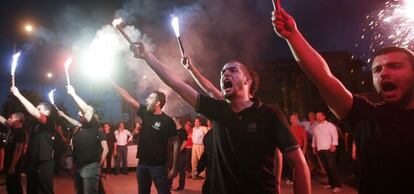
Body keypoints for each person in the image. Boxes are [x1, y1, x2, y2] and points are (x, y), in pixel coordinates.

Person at [128, 42, 311, 194]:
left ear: (248, 81)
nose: (225, 74)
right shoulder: (218, 110)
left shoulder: (270, 115)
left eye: (232, 70)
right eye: (223, 72)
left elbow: (298, 164)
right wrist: (147, 56)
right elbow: (179, 86)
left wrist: (278, 184)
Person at [273, 5, 414, 193]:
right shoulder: (366, 116)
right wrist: (293, 36)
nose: (384, 73)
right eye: (377, 70)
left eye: (394, 66)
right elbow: (324, 79)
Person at [109, 79, 179, 194]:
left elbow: (176, 142)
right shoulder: (146, 113)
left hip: (159, 166)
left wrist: (174, 167)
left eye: (150, 98)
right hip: (142, 164)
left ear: (157, 103)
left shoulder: (167, 121)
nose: (146, 100)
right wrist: (111, 82)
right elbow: (129, 99)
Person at [58, 85, 108, 194]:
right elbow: (74, 122)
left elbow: (86, 110)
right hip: (78, 166)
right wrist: (63, 115)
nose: (79, 115)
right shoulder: (81, 127)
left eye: (81, 114)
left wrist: (73, 94)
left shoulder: (94, 125)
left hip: (90, 166)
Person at [11, 86, 55, 194]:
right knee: (32, 190)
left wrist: (18, 95)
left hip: (44, 162)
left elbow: (32, 111)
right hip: (33, 162)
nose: (36, 110)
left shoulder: (49, 122)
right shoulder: (35, 124)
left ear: (46, 112)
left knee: (44, 190)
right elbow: (10, 122)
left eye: (39, 109)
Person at [312, 112, 342, 193]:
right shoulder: (316, 127)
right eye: (317, 116)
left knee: (332, 167)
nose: (318, 117)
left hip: (329, 148)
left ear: (324, 116)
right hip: (320, 149)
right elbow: (314, 138)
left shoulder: (330, 125)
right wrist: (314, 147)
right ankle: (330, 183)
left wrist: (334, 144)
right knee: (326, 168)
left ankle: (337, 186)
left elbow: (335, 135)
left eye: (320, 116)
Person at [0, 113, 26, 194]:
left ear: (18, 121)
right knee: (10, 185)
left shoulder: (20, 132)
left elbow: (18, 149)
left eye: (11, 118)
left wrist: (13, 165)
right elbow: (4, 121)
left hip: (15, 164)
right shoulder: (12, 130)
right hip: (9, 162)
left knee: (14, 185)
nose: (9, 119)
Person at [283, 114, 307, 184]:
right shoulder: (289, 128)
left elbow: (305, 140)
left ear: (297, 120)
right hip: (290, 149)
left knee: (299, 165)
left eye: (293, 118)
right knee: (290, 164)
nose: (292, 120)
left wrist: (304, 149)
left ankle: (300, 179)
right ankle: (290, 178)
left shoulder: (301, 128)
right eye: (291, 118)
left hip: (298, 149)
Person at [169, 117, 188, 190]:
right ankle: (169, 184)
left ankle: (181, 186)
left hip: (181, 154)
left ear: (177, 121)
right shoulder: (172, 131)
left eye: (173, 121)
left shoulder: (183, 131)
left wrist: (178, 150)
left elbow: (185, 142)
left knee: (181, 170)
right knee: (171, 168)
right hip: (172, 154)